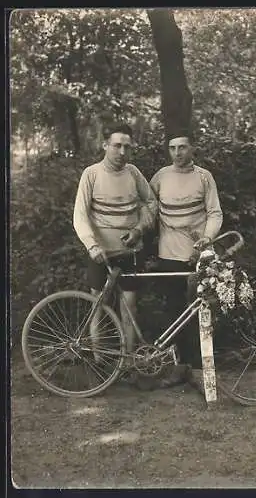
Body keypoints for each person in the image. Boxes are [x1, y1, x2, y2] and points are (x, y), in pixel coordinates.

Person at [73, 123, 157, 360]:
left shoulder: (133, 173)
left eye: (127, 147)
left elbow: (151, 202)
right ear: (105, 145)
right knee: (97, 307)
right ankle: (99, 363)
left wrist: (139, 230)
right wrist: (91, 245)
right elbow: (80, 214)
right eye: (117, 145)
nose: (122, 152)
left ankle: (128, 361)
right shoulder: (91, 174)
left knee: (129, 309)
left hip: (129, 253)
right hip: (101, 253)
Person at [150, 130, 223, 390]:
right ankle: (178, 368)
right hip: (168, 255)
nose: (177, 153)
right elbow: (149, 209)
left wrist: (207, 237)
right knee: (174, 312)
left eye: (182, 147)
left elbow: (215, 213)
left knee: (202, 311)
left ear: (192, 148)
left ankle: (203, 370)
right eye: (172, 148)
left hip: (199, 256)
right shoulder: (160, 177)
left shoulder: (204, 177)